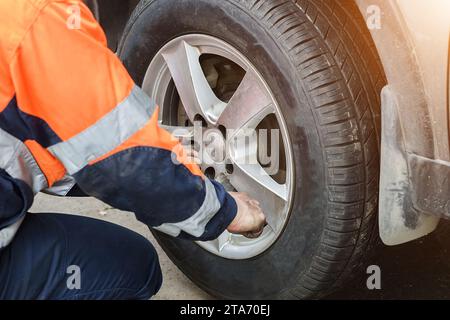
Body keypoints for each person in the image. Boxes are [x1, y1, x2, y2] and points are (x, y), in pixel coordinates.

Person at [0, 0, 266, 299]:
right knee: (132, 266)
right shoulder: (38, 15)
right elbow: (126, 167)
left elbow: (40, 134)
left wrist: (163, 155)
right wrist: (226, 211)